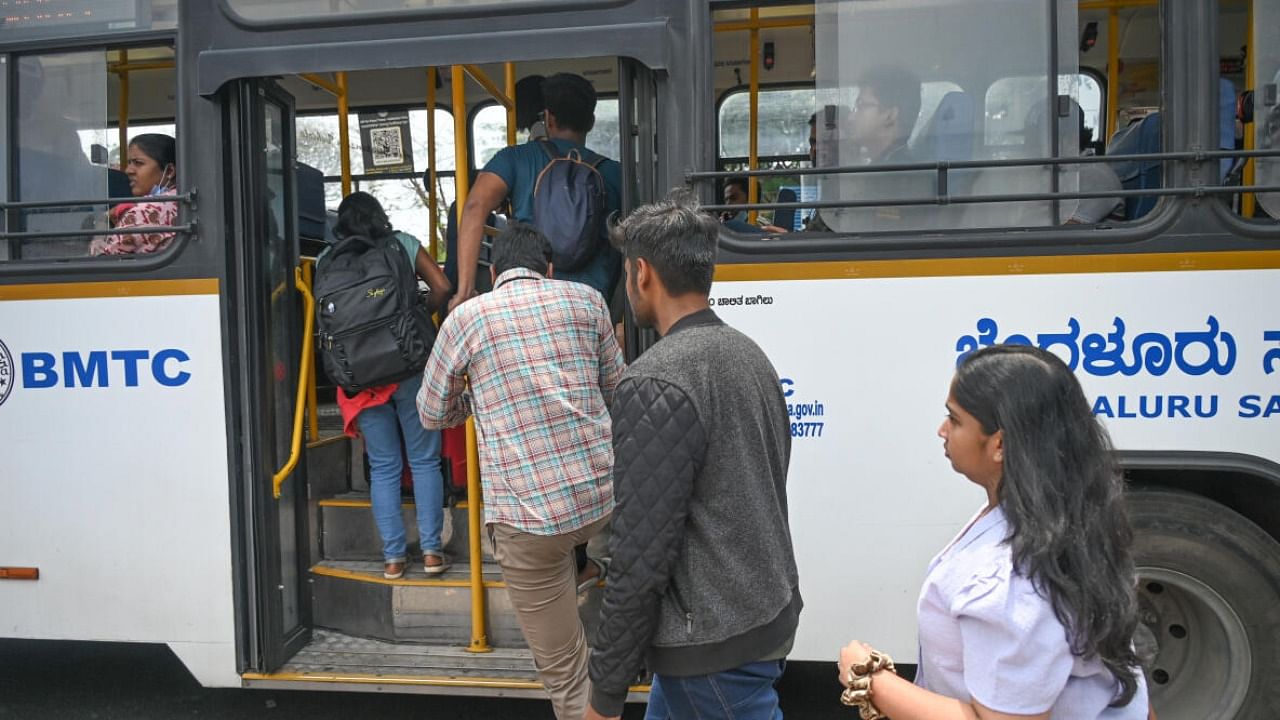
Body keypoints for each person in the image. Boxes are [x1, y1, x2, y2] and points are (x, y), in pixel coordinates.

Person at [835, 344, 1149, 720]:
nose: (942, 430)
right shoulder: (1067, 521)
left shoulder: (1012, 580)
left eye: (954, 419)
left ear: (999, 444)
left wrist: (871, 680)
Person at [585, 191, 802, 720]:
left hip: (708, 643)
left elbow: (639, 554)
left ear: (641, 274)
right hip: (760, 612)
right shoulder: (751, 356)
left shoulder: (654, 379)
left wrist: (605, 695)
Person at [417, 223, 624, 720]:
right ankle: (592, 573)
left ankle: (579, 584)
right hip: (602, 500)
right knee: (587, 543)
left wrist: (477, 399)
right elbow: (617, 387)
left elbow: (430, 412)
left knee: (568, 680)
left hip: (529, 520)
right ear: (548, 269)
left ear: (493, 274)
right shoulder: (588, 299)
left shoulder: (466, 319)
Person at [321, 191, 453, 580]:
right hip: (409, 363)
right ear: (380, 217)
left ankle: (394, 558)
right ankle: (431, 552)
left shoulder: (329, 260)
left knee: (383, 466)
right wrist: (414, 316)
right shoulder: (402, 244)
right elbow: (442, 288)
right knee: (425, 460)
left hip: (360, 376)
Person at [450, 73, 623, 309]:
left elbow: (474, 207)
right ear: (591, 122)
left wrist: (465, 290)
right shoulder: (615, 173)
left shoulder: (514, 159)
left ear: (548, 118)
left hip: (528, 303)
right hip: (591, 304)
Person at [90, 134, 179, 256]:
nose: (128, 170)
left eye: (138, 163)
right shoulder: (180, 199)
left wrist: (96, 244)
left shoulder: (146, 211)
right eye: (129, 163)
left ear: (169, 171)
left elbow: (103, 262)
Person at [719, 176, 788, 235]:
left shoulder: (762, 227)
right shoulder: (722, 226)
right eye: (726, 200)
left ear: (750, 198)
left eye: (734, 198)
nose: (728, 204)